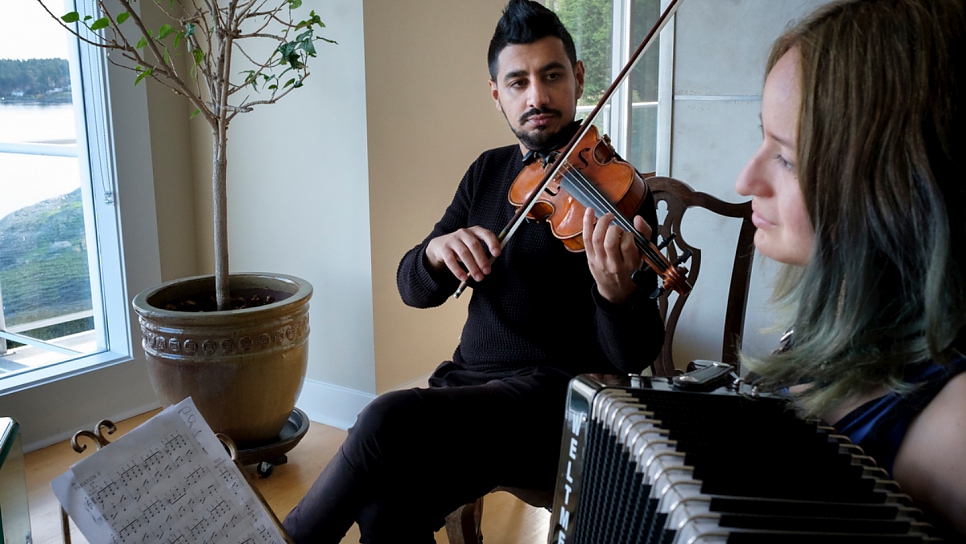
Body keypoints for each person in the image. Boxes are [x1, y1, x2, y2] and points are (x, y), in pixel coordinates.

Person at [282, 1, 665, 542]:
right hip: (472, 390)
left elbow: (636, 353)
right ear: (497, 95)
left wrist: (614, 294)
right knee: (386, 505)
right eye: (518, 82)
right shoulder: (487, 172)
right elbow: (412, 287)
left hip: (557, 401)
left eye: (552, 75)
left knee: (384, 419)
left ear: (578, 79)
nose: (537, 97)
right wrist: (437, 252)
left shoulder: (617, 190)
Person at [735, 0, 966, 538]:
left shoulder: (953, 433)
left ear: (895, 188)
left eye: (788, 158)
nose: (746, 180)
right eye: (762, 136)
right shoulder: (825, 325)